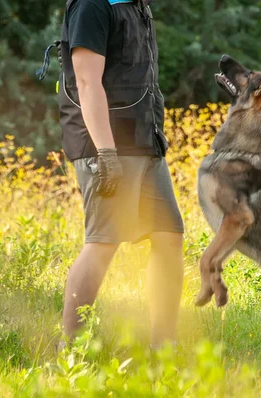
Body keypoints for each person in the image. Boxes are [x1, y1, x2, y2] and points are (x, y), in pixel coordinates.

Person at [55, 0, 184, 349]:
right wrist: (106, 152)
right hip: (107, 143)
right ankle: (72, 349)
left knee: (169, 236)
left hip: (143, 139)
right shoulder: (92, 6)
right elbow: (86, 80)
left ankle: (164, 346)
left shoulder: (137, 5)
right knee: (103, 241)